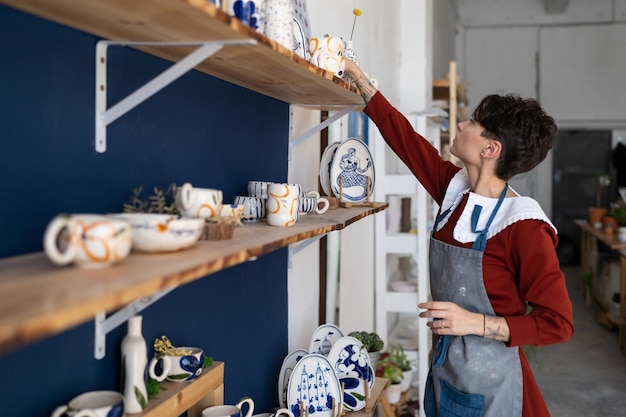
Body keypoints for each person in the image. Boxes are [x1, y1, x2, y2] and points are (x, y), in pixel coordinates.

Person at [343, 60, 574, 417]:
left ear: (490, 149)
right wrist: (360, 81)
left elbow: (558, 323)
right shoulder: (456, 192)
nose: (462, 124)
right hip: (448, 369)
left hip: (495, 387)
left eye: (474, 124)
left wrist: (474, 323)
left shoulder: (524, 225)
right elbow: (407, 142)